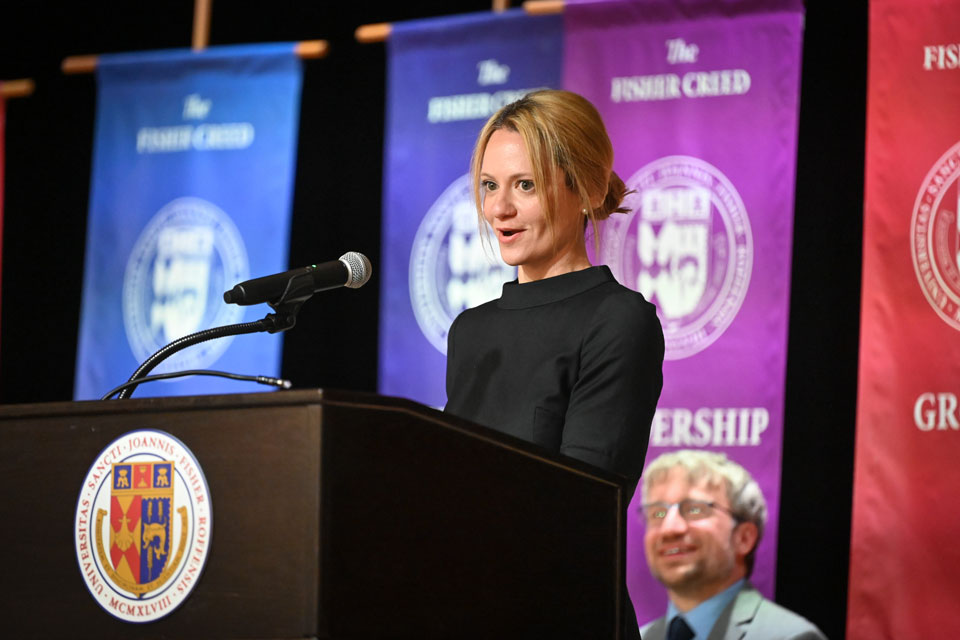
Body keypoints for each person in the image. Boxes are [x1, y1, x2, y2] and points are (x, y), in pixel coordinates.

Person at [444, 88, 664, 640]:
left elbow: (584, 503)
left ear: (587, 188)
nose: (499, 209)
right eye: (490, 186)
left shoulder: (618, 320)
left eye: (525, 186)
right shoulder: (472, 331)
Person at [639, 450, 827, 640]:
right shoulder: (636, 636)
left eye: (694, 509)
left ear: (744, 538)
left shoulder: (791, 637)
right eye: (658, 513)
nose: (669, 529)